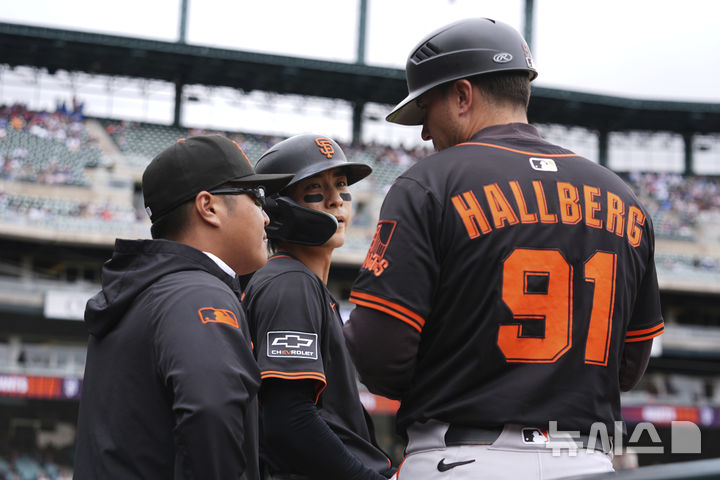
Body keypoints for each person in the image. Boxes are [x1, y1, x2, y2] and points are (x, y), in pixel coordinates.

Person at [343, 18, 664, 480]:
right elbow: (630, 367)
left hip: (461, 459)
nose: (424, 133)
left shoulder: (429, 183)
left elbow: (379, 356)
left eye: (427, 109)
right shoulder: (623, 199)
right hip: (586, 462)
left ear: (462, 96)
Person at [74, 135, 293, 479]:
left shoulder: (145, 291)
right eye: (256, 197)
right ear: (209, 207)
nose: (266, 217)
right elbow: (210, 411)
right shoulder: (199, 293)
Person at [242, 134, 395, 480]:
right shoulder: (289, 283)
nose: (336, 199)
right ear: (278, 210)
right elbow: (289, 421)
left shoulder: (300, 283)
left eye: (340, 185)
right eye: (315, 188)